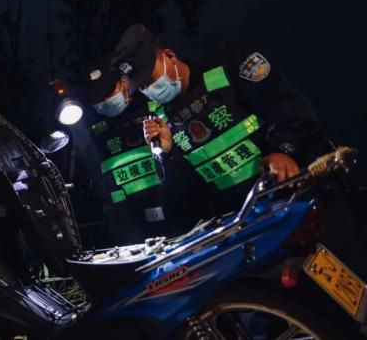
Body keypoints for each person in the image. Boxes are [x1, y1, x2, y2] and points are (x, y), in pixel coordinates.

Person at [94, 24, 327, 212]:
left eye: (150, 78)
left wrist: (284, 151)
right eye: (143, 86)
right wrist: (168, 153)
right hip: (249, 217)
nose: (149, 88)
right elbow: (189, 193)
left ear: (169, 56)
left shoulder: (229, 63)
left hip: (304, 189)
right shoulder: (162, 118)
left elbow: (286, 105)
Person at [78, 61, 210, 245]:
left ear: (124, 83)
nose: (104, 101)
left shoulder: (156, 107)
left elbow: (188, 158)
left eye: (108, 92)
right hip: (131, 231)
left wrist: (168, 151)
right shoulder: (94, 132)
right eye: (97, 98)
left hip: (179, 212)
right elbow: (97, 187)